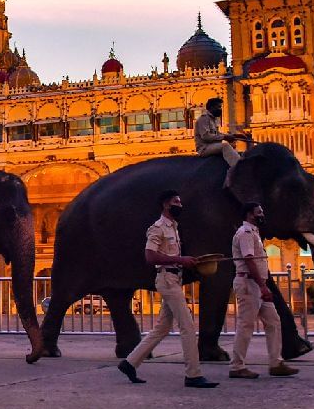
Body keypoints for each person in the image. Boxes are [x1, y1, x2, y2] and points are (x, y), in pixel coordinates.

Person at [117, 190, 217, 388]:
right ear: (165, 204)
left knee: (161, 328)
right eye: (175, 202)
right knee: (187, 326)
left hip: (174, 278)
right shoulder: (158, 228)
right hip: (167, 279)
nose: (179, 205)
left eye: (180, 201)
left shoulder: (174, 228)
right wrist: (180, 260)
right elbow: (150, 256)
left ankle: (129, 363)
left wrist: (187, 262)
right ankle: (193, 374)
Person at [229, 203, 299, 379]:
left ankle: (276, 362)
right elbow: (249, 260)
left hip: (256, 284)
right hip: (249, 283)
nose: (262, 215)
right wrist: (262, 286)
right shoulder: (245, 233)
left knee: (273, 321)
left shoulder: (254, 233)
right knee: (246, 324)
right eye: (259, 212)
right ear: (249, 214)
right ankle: (237, 366)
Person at [195, 98, 248, 185]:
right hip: (204, 148)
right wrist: (225, 137)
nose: (220, 109)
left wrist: (234, 136)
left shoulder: (214, 119)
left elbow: (217, 134)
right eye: (218, 107)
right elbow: (206, 136)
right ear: (211, 107)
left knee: (232, 146)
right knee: (225, 146)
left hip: (213, 146)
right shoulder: (203, 119)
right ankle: (240, 169)